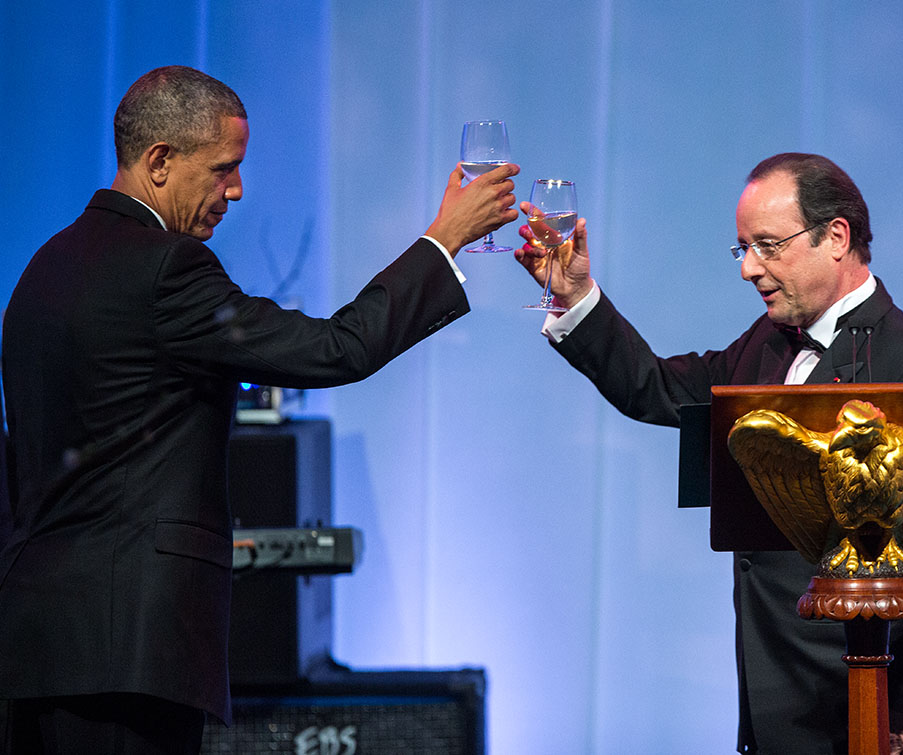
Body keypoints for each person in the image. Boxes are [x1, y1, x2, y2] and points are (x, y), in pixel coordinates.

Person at [0, 65, 518, 754]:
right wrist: (443, 239)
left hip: (36, 649)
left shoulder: (44, 266)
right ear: (159, 162)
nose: (236, 190)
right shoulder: (167, 269)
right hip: (127, 655)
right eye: (223, 169)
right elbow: (337, 349)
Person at [515, 153, 903, 755]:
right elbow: (658, 388)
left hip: (867, 708)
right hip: (781, 699)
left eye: (766, 245)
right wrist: (576, 296)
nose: (749, 270)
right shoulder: (769, 342)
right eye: (744, 249)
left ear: (835, 237)